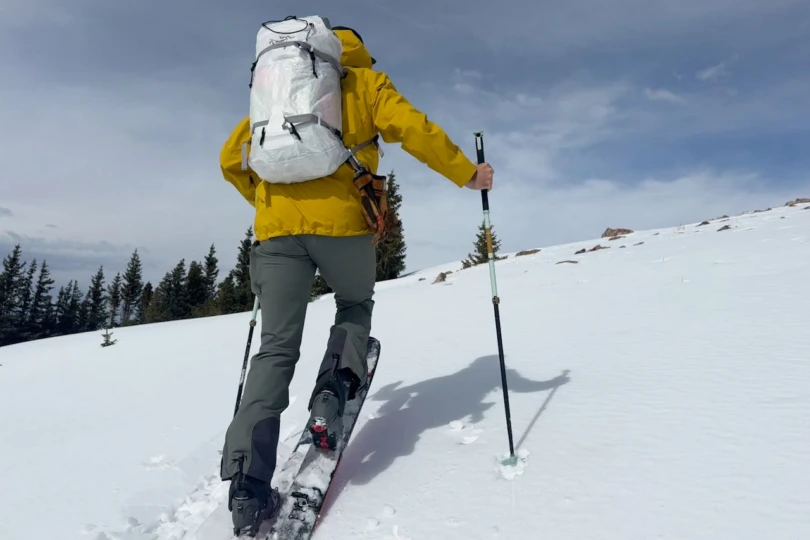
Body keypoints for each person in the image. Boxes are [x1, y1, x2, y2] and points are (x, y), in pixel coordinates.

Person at [217, 23, 494, 531]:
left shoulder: (274, 95)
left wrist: (268, 205)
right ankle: (333, 391)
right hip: (343, 226)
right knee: (354, 306)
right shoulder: (365, 83)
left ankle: (247, 487)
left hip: (276, 233)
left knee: (275, 348)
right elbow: (415, 129)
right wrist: (467, 173)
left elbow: (230, 159)